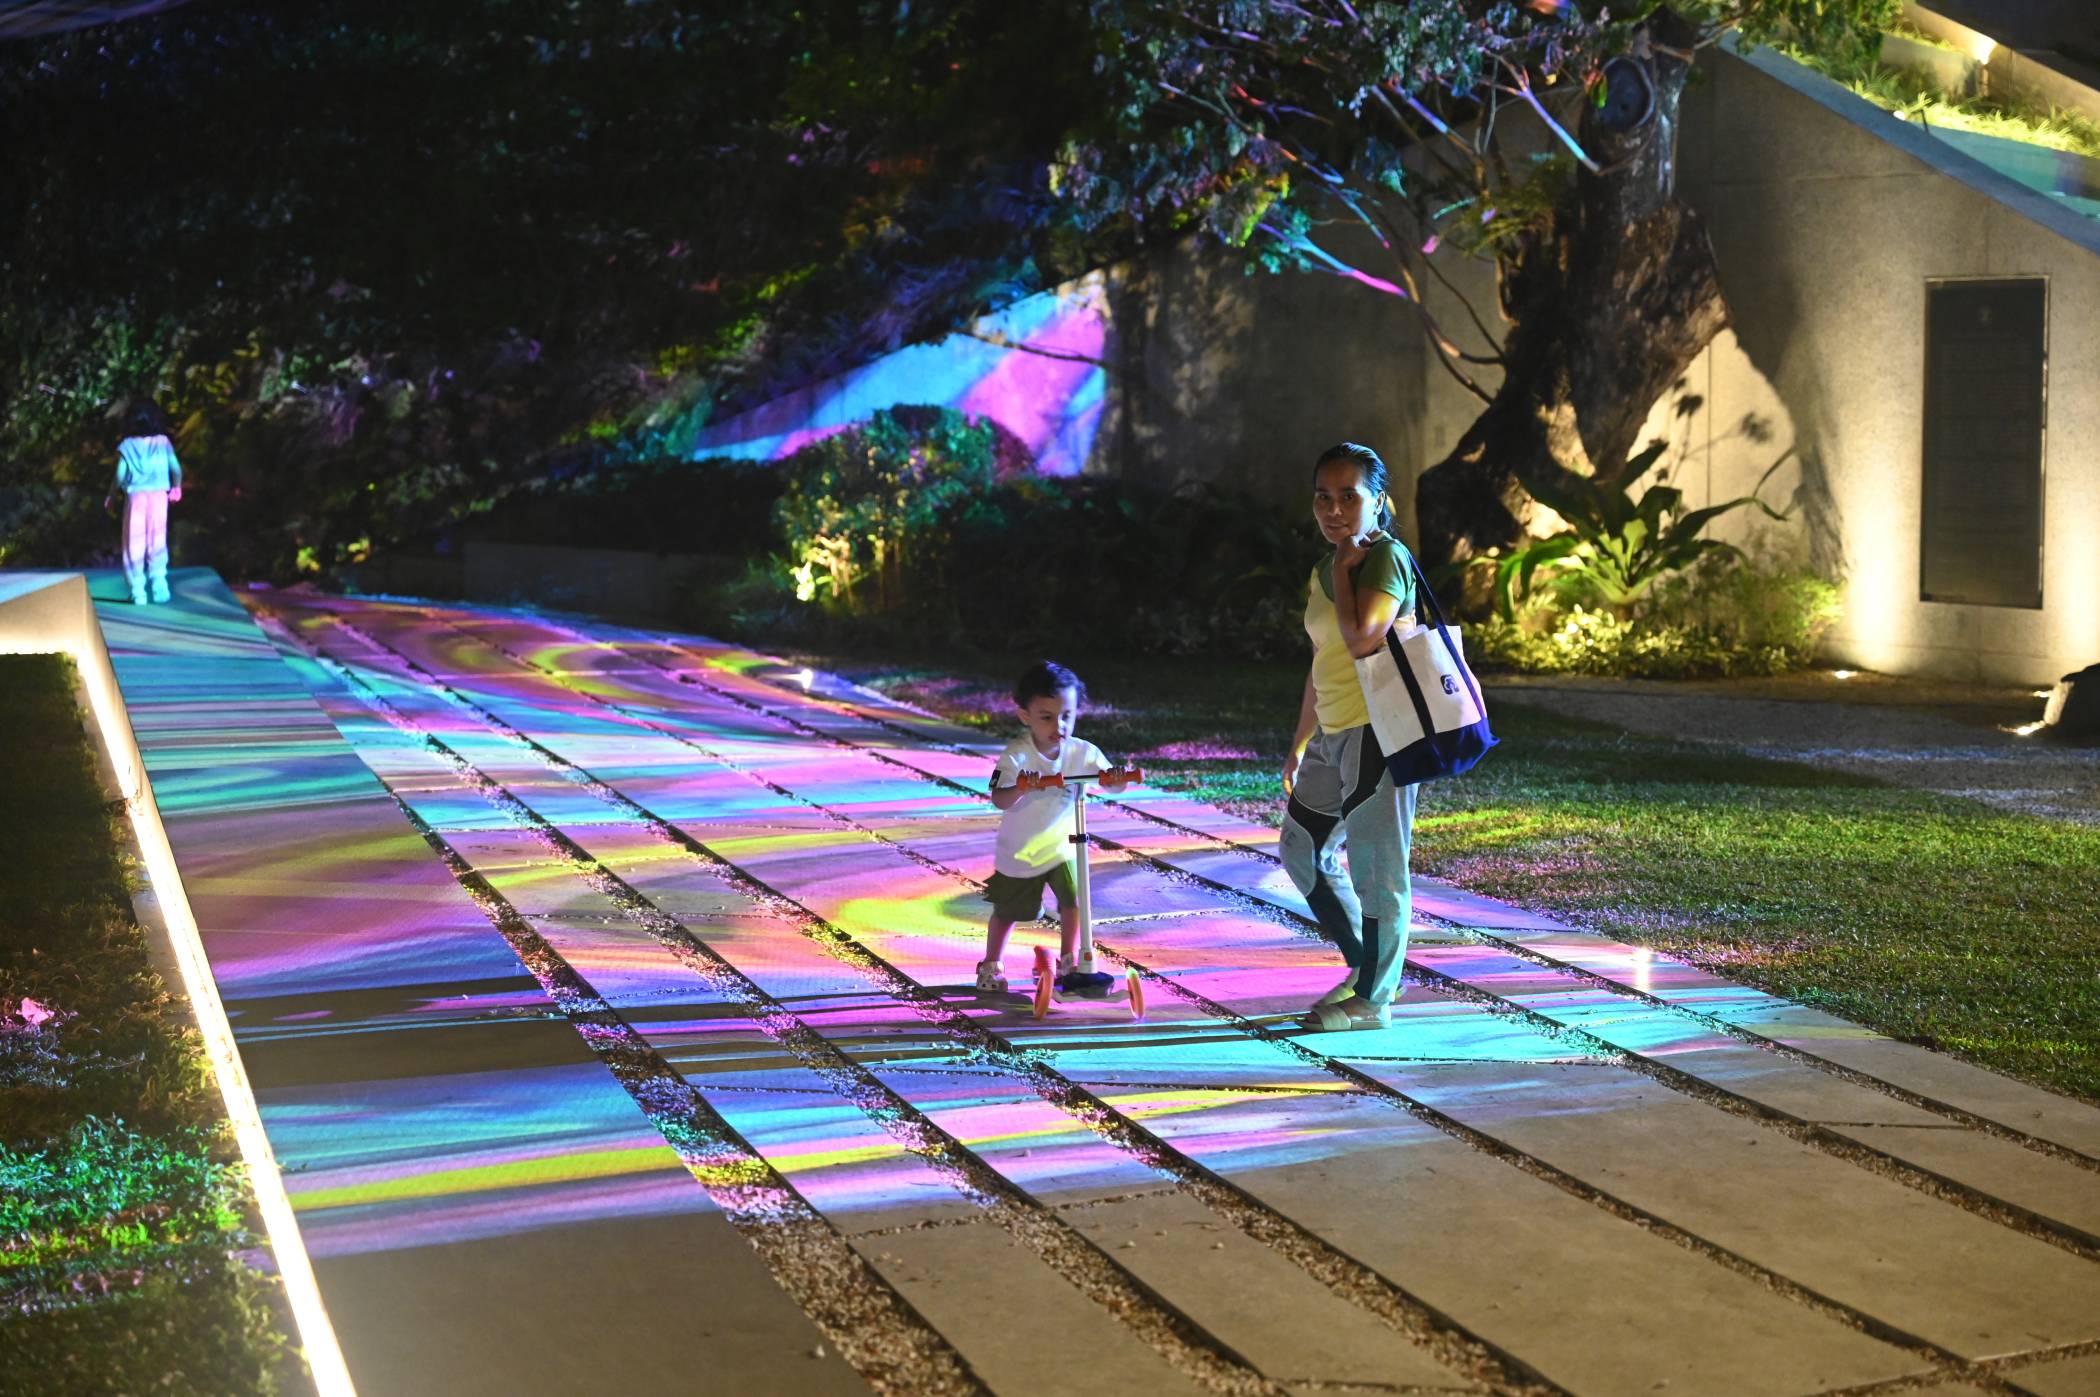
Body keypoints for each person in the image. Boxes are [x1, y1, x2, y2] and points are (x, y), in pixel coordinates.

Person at [1282, 442, 1419, 1031]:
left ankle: (1373, 1002)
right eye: (1323, 496)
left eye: (1349, 496)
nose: (1333, 509)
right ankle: (1368, 969)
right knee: (1300, 848)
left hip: (1378, 733)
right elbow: (1325, 658)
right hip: (1332, 732)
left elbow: (1364, 638)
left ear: (1379, 501)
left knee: (1377, 870)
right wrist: (1298, 738)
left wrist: (1344, 569)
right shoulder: (1325, 566)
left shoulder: (1384, 558)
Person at [978, 661, 1134, 994]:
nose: (1058, 725)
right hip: (1022, 849)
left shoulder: (1083, 752)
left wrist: (1117, 779)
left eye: (1067, 715)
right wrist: (1020, 787)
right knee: (1008, 911)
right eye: (1047, 717)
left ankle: (1070, 960)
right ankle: (991, 963)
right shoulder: (1016, 756)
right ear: (1026, 716)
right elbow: (999, 798)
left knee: (1076, 900)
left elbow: (1110, 782)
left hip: (1066, 845)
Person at [105, 406, 183, 605]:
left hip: (136, 498)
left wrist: (112, 495)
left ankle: (138, 590)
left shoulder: (127, 446)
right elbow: (175, 468)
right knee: (157, 539)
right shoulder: (163, 442)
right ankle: (159, 585)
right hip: (159, 497)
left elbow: (119, 475)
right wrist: (177, 487)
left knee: (134, 542)